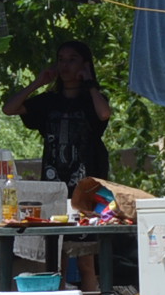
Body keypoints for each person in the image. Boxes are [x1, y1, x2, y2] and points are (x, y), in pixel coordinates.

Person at [6, 41, 112, 188]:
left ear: (85, 64)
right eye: (61, 60)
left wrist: (90, 82)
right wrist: (38, 82)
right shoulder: (49, 100)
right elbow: (9, 109)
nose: (65, 65)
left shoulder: (93, 100)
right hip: (54, 182)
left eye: (72, 60)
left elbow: (104, 113)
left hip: (89, 183)